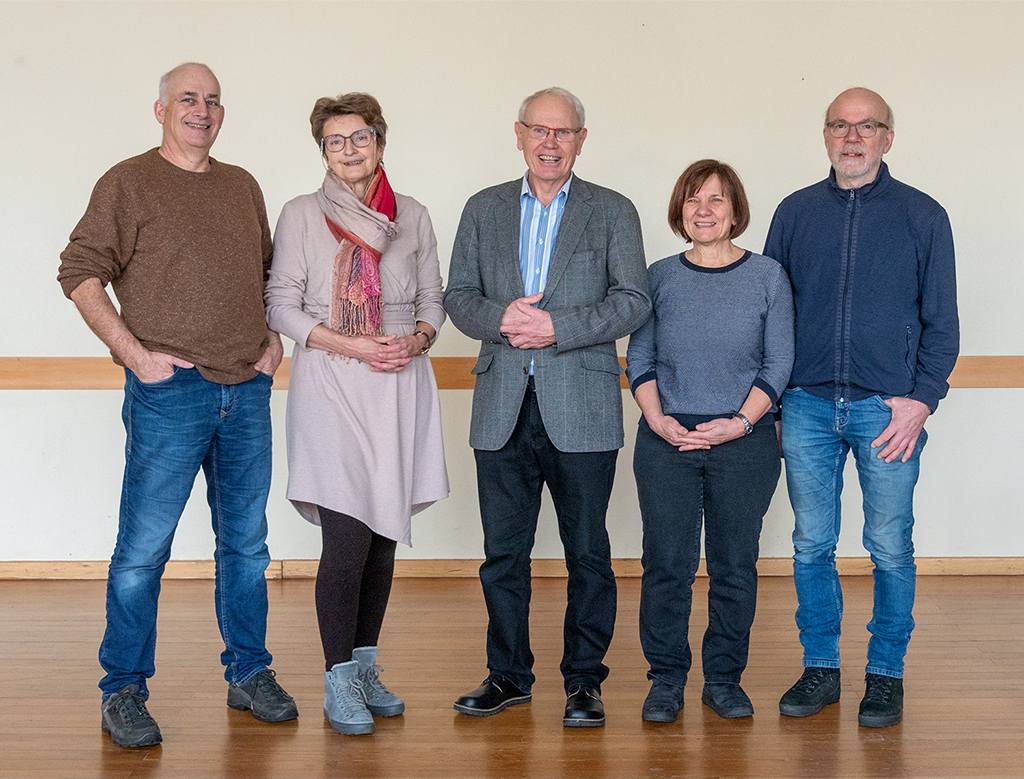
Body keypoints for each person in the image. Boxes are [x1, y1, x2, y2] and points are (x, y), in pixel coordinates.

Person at [57, 63, 296, 749]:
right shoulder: (127, 182)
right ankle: (123, 689)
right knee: (143, 550)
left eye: (213, 100)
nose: (202, 109)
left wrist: (272, 342)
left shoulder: (242, 185)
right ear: (160, 109)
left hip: (245, 392)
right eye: (188, 98)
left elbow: (268, 276)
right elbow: (78, 271)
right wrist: (136, 355)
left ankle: (250, 672)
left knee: (246, 547)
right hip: (170, 395)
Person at [444, 87, 651, 728]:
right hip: (501, 402)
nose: (551, 142)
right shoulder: (482, 209)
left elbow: (634, 300)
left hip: (582, 403)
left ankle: (584, 682)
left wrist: (556, 326)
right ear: (519, 134)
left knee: (587, 551)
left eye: (564, 132)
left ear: (581, 140)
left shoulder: (613, 211)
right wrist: (501, 319)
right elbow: (458, 295)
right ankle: (508, 675)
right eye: (540, 130)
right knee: (503, 553)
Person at [765, 87, 959, 728]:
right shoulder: (793, 214)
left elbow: (943, 322)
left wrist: (921, 402)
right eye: (841, 126)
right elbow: (773, 316)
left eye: (867, 126)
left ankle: (886, 676)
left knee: (889, 546)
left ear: (887, 138)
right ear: (825, 137)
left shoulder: (923, 216)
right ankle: (821, 668)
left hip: (888, 411)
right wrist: (772, 400)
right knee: (810, 544)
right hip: (807, 407)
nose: (853, 137)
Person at [265, 92, 449, 736]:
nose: (348, 148)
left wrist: (417, 338)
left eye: (359, 136)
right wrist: (351, 344)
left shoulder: (416, 215)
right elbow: (281, 306)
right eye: (335, 140)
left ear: (380, 141)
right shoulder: (299, 214)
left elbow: (433, 299)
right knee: (345, 538)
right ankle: (337, 679)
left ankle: (366, 668)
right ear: (322, 150)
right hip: (332, 381)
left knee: (381, 537)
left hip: (399, 381)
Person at [627, 160, 794, 723]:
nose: (704, 209)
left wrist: (741, 424)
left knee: (734, 565)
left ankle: (723, 679)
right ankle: (666, 680)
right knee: (666, 564)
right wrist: (657, 419)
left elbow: (779, 361)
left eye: (716, 200)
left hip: (743, 440)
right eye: (694, 199)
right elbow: (641, 357)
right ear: (679, 210)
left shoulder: (768, 276)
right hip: (667, 437)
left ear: (734, 211)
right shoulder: (657, 276)